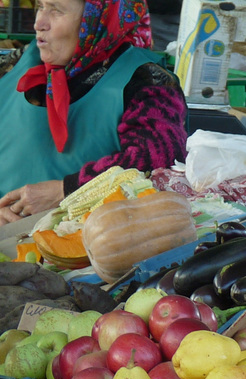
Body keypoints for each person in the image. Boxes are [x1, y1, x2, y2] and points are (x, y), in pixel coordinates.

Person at [0, 0, 188, 225]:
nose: (38, 23)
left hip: (87, 244)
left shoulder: (147, 83)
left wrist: (67, 190)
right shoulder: (19, 64)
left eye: (56, 10)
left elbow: (158, 160)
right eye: (40, 6)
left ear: (98, 18)